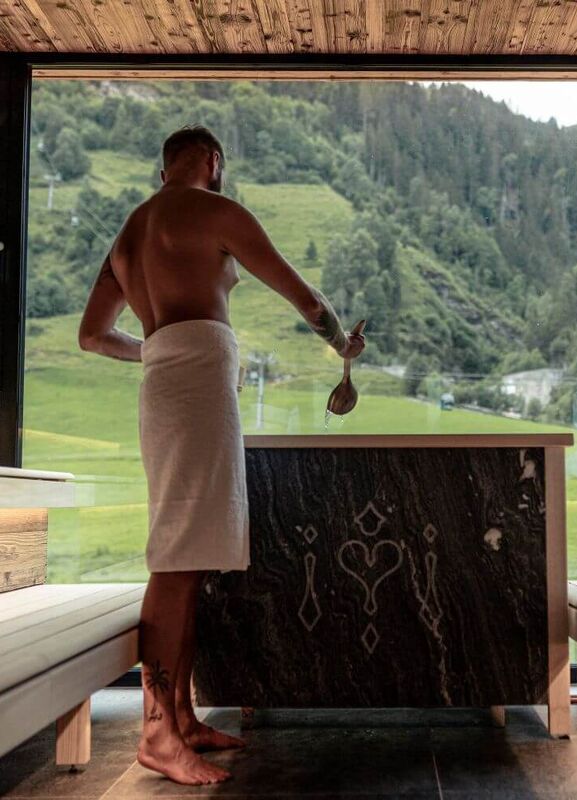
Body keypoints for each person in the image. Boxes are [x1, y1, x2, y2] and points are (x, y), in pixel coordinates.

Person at [77, 126, 365, 785]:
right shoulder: (216, 211)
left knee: (190, 552)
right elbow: (304, 298)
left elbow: (93, 336)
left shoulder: (130, 233)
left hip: (165, 387)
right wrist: (341, 348)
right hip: (199, 385)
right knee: (177, 559)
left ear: (163, 164)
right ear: (211, 159)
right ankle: (155, 732)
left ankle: (180, 718)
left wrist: (153, 350)